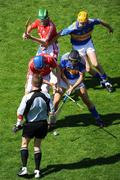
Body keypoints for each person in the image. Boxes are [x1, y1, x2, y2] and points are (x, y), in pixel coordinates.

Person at [51, 11, 113, 92]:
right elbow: (60, 33)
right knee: (87, 69)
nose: (82, 24)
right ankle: (101, 79)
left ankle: (106, 80)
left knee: (95, 64)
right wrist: (51, 42)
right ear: (78, 19)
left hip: (88, 43)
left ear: (87, 20)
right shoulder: (73, 27)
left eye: (83, 23)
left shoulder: (91, 22)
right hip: (78, 48)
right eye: (80, 22)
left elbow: (100, 21)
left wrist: (109, 27)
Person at [13, 74, 55, 178]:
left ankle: (24, 169)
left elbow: (20, 112)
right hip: (43, 125)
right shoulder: (47, 96)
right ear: (42, 83)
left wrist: (18, 125)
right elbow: (52, 112)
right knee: (37, 146)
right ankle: (37, 171)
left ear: (32, 84)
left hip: (30, 125)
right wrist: (50, 123)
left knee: (24, 145)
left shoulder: (27, 97)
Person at [54, 50, 104, 127]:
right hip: (65, 80)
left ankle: (97, 118)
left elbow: (82, 77)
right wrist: (69, 85)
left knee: (86, 100)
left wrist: (73, 87)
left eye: (75, 61)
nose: (72, 63)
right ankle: (51, 121)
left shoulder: (82, 61)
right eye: (71, 60)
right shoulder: (64, 58)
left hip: (77, 81)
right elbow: (61, 73)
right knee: (56, 101)